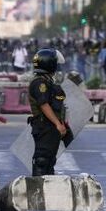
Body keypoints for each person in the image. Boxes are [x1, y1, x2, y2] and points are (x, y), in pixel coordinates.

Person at [28, 48, 69, 176]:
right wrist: (58, 123)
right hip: (44, 126)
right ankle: (37, 190)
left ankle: (47, 190)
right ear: (49, 64)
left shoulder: (47, 81)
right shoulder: (40, 83)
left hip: (49, 127)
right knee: (42, 159)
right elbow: (44, 105)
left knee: (50, 160)